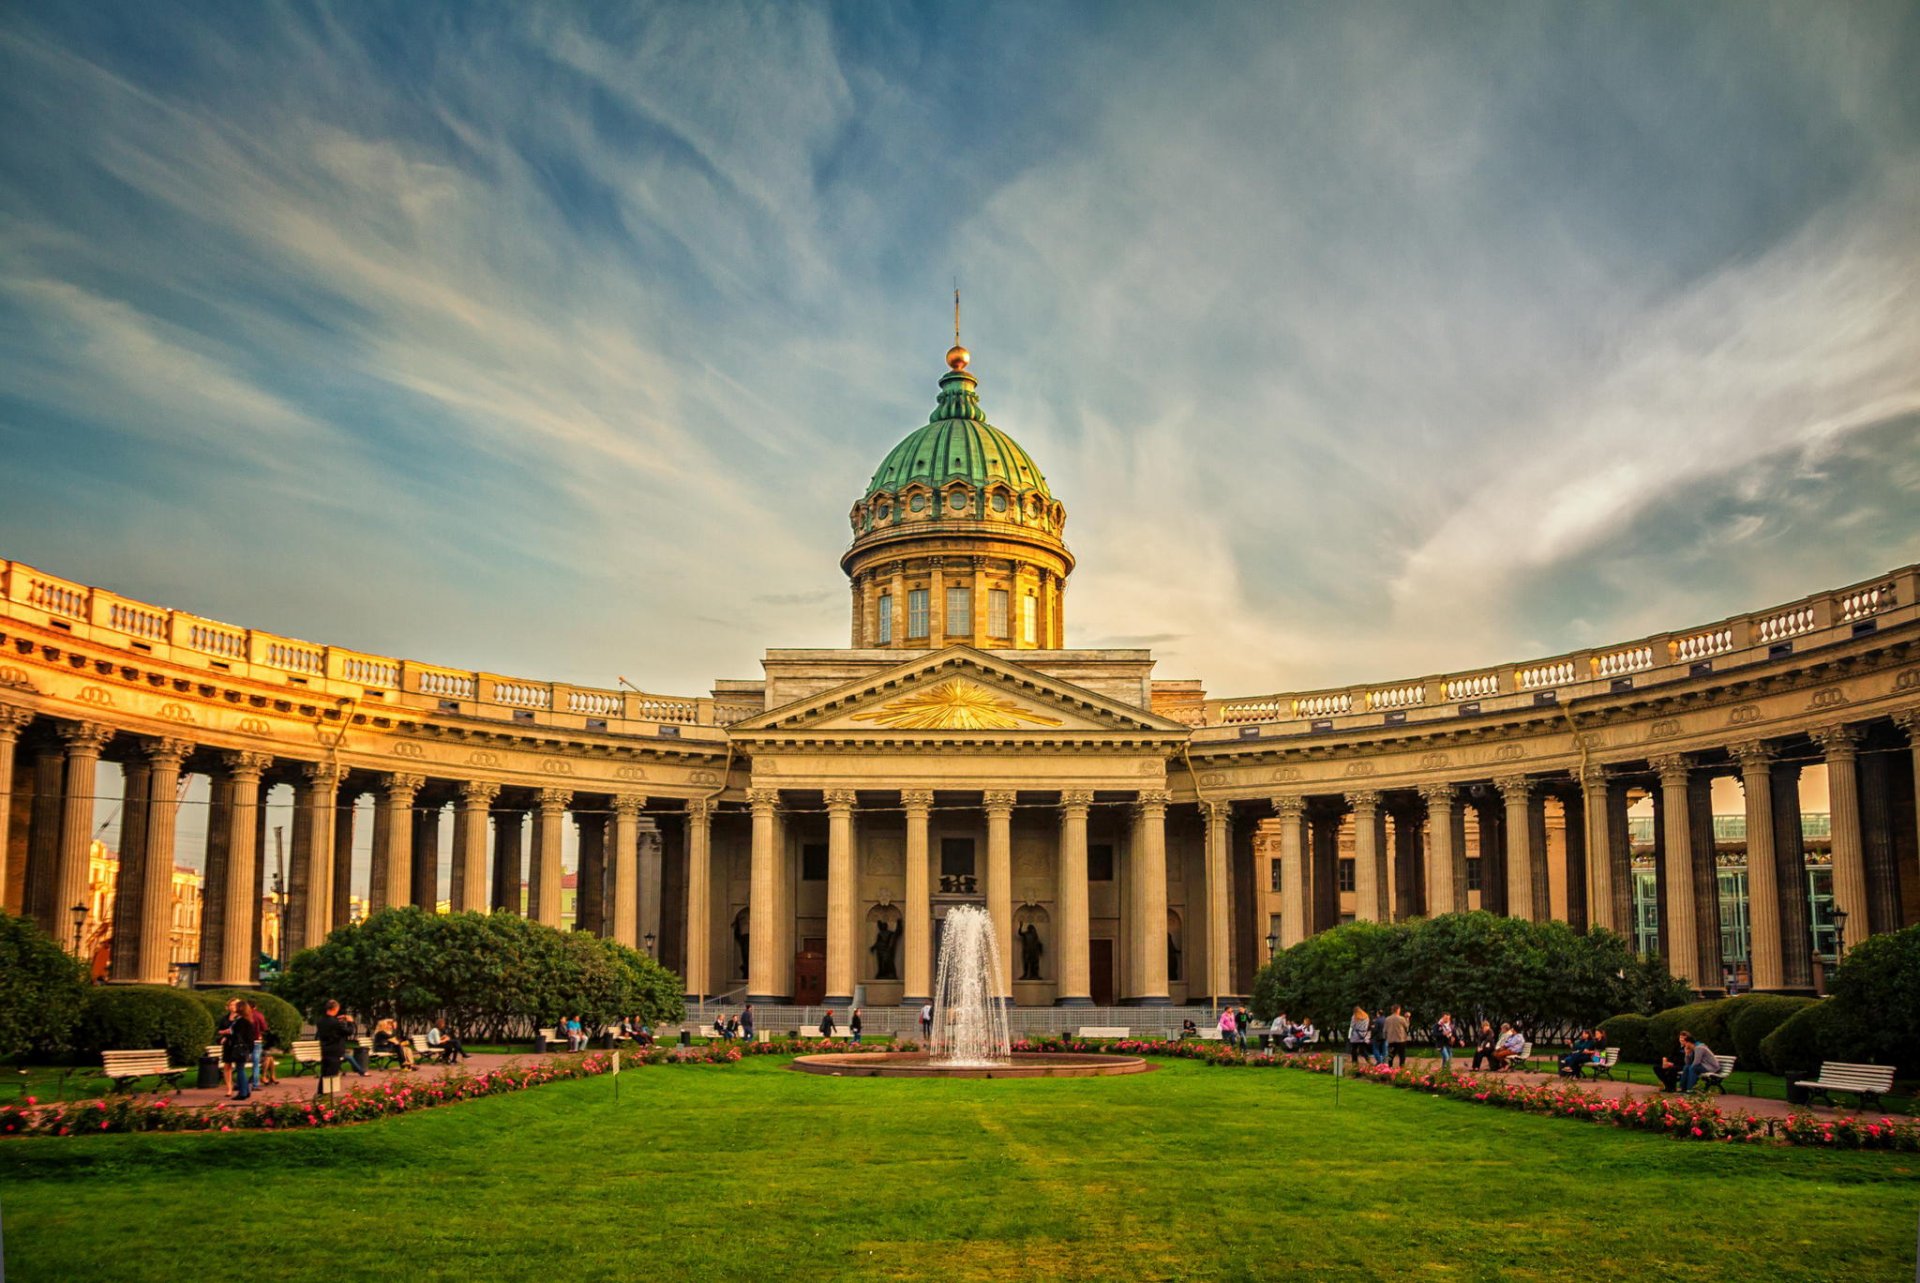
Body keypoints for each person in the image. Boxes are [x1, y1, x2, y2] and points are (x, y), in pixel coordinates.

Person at [221, 998, 255, 1099]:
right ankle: (246, 1091)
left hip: (239, 1048)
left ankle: (242, 1093)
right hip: (245, 1048)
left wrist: (228, 1035)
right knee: (241, 1069)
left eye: (236, 1006)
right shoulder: (246, 1020)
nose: (234, 1007)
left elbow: (237, 1035)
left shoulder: (240, 1021)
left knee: (240, 1070)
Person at [214, 999, 240, 1097]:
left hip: (238, 1044)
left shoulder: (240, 1018)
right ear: (228, 1007)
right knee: (227, 1065)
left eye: (235, 1004)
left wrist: (228, 1032)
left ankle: (241, 1086)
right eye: (231, 1005)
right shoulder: (225, 1018)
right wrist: (224, 1034)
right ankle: (229, 1088)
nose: (233, 1006)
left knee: (239, 1066)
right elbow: (220, 1030)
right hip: (228, 1044)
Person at [245, 999, 270, 1091]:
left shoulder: (242, 1016)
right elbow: (264, 1027)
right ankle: (255, 1084)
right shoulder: (258, 1015)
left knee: (241, 1063)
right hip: (256, 1041)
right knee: (256, 1064)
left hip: (245, 1042)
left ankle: (241, 1084)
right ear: (255, 1007)